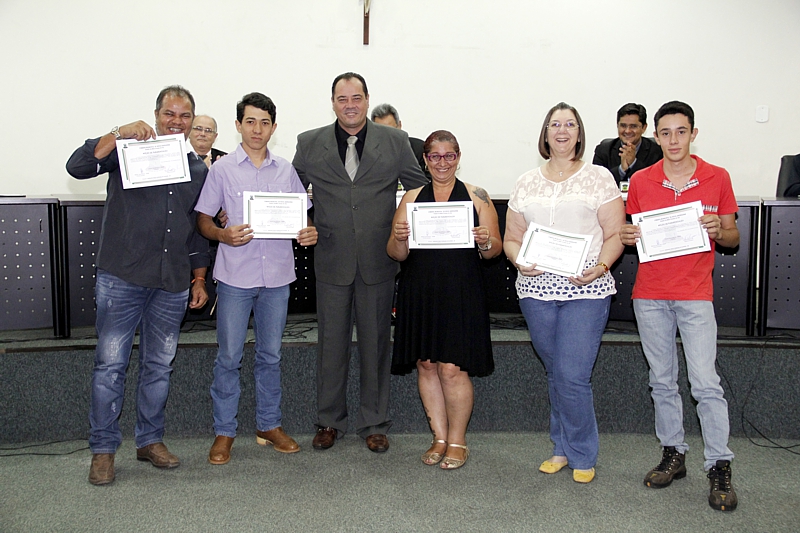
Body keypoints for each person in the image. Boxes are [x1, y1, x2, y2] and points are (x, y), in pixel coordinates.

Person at [66, 85, 210, 486]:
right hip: (122, 278)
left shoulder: (196, 169)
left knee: (158, 367)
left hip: (171, 283)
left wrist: (199, 278)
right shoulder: (124, 153)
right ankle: (103, 450)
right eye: (169, 114)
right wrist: (118, 131)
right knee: (110, 366)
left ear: (191, 121)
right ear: (157, 114)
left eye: (184, 116)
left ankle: (149, 441)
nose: (176, 122)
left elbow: (195, 231)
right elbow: (77, 166)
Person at [292, 72, 428, 453]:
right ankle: (328, 421)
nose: (349, 105)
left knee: (375, 345)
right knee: (330, 346)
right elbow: (287, 191)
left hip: (379, 258)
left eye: (356, 98)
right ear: (332, 102)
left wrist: (405, 224)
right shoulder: (309, 142)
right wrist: (303, 222)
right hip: (331, 257)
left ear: (367, 100)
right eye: (341, 99)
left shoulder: (396, 141)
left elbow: (419, 188)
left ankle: (374, 422)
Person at [619, 101, 739, 511]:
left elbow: (734, 239)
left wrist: (719, 229)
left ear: (693, 133)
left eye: (681, 131)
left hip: (694, 295)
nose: (673, 140)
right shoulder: (640, 180)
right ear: (656, 136)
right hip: (650, 295)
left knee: (705, 384)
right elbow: (630, 230)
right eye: (665, 133)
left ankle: (719, 463)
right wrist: (629, 234)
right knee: (662, 381)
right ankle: (674, 452)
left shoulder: (716, 177)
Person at [503, 102, 625, 484]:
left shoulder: (599, 178)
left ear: (579, 132)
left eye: (570, 124)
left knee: (572, 374)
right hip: (536, 291)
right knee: (557, 372)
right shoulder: (526, 182)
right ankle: (560, 448)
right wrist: (519, 260)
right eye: (555, 123)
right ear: (545, 133)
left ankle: (583, 453)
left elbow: (615, 235)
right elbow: (511, 239)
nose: (562, 130)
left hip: (586, 289)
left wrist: (601, 267)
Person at [195, 92, 318, 465]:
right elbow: (203, 218)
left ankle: (268, 424)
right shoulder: (221, 170)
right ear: (237, 126)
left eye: (265, 122)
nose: (257, 129)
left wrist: (308, 231)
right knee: (229, 357)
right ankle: (224, 431)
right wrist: (222, 235)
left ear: (274, 128)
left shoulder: (286, 171)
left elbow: (303, 219)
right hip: (235, 275)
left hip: (278, 277)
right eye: (250, 121)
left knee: (270, 355)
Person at [388, 130, 501, 469]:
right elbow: (396, 254)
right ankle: (438, 436)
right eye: (434, 156)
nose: (442, 163)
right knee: (426, 364)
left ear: (458, 157)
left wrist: (484, 240)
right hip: (419, 291)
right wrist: (398, 237)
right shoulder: (410, 198)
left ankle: (457, 440)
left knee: (452, 368)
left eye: (448, 155)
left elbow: (493, 252)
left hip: (461, 292)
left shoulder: (477, 196)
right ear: (425, 159)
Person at [592, 103, 663, 186]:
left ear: (644, 128)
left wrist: (634, 163)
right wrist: (621, 169)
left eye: (633, 126)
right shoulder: (603, 150)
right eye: (623, 126)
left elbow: (656, 183)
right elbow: (597, 183)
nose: (627, 131)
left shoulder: (657, 151)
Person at [370, 103, 429, 179]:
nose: (387, 136)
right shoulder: (368, 153)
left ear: (399, 125)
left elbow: (428, 183)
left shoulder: (419, 149)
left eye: (391, 130)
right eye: (381, 131)